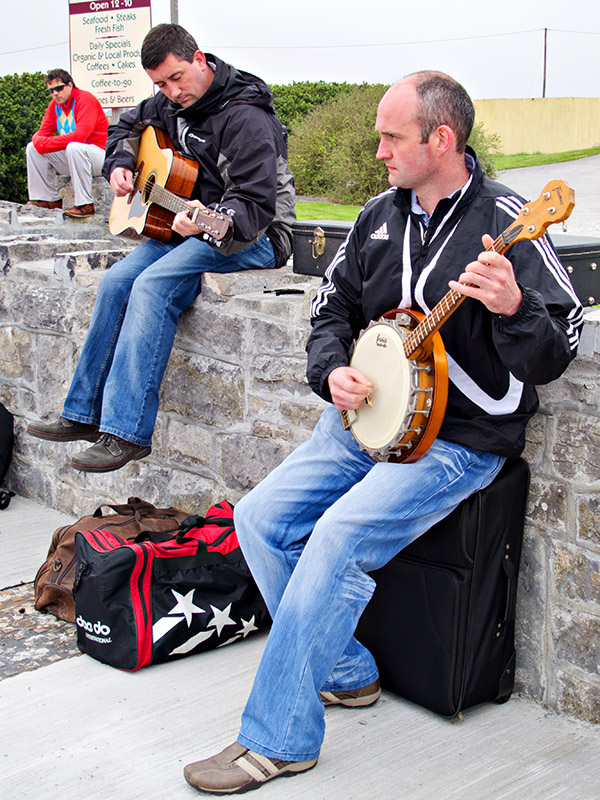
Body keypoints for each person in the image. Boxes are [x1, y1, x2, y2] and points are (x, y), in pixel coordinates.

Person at [182, 71, 584, 794]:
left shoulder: (509, 219)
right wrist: (331, 370)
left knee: (336, 537)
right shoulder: (376, 216)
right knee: (261, 518)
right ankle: (345, 671)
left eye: (391, 136)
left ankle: (278, 739)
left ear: (442, 138)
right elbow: (329, 307)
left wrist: (516, 305)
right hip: (364, 420)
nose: (377, 151)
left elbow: (556, 348)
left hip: (461, 440)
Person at [27, 24, 295, 473]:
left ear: (200, 59)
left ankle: (127, 432)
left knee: (152, 285)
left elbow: (253, 205)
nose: (171, 93)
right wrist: (120, 164)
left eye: (177, 78)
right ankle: (82, 413)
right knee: (116, 281)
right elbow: (126, 125)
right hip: (186, 223)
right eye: (160, 85)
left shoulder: (246, 117)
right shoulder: (168, 104)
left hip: (256, 234)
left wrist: (211, 224)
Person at [26, 69, 108, 218]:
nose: (55, 93)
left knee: (74, 146)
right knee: (32, 149)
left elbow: (80, 136)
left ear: (70, 85)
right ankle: (48, 200)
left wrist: (44, 142)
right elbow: (39, 135)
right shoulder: (54, 106)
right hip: (75, 157)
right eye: (51, 90)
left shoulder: (85, 100)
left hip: (100, 156)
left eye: (59, 88)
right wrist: (39, 142)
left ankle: (85, 204)